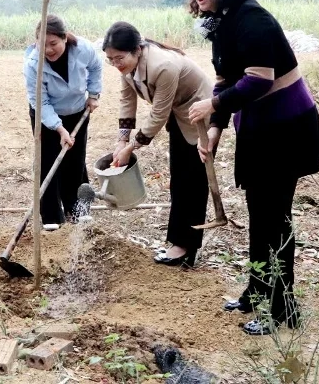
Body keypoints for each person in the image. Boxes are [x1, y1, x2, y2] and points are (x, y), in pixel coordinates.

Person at [187, 0, 319, 336]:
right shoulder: (221, 24)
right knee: (259, 214)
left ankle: (283, 309)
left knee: (274, 220)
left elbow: (258, 80)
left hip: (286, 131)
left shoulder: (253, 20)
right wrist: (215, 130)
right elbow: (224, 80)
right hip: (258, 130)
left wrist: (212, 106)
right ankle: (257, 289)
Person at [103, 21, 212, 267]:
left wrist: (131, 147)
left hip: (199, 112)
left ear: (136, 50)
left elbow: (158, 114)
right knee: (179, 178)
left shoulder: (163, 66)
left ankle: (186, 246)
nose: (116, 64)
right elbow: (127, 101)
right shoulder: (128, 68)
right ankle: (179, 241)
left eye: (119, 58)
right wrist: (121, 139)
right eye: (110, 60)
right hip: (178, 112)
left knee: (193, 180)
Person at [23, 15, 102, 230]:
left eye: (53, 43)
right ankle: (51, 216)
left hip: (77, 110)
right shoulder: (33, 65)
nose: (48, 50)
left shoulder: (83, 49)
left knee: (75, 159)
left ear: (65, 38)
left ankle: (77, 209)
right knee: (48, 161)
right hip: (45, 115)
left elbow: (96, 67)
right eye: (42, 44)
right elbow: (41, 102)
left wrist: (93, 94)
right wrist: (59, 128)